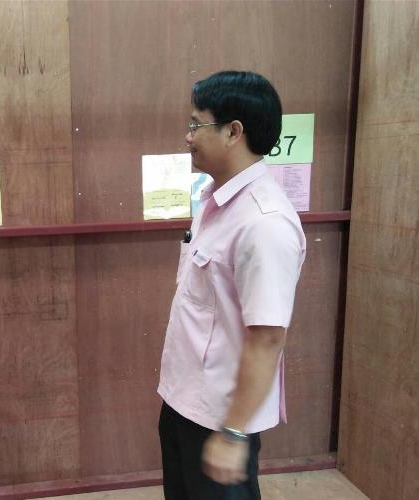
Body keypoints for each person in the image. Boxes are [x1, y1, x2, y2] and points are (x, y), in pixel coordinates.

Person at [157, 71, 306, 500]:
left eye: (195, 124)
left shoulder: (264, 222)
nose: (187, 136)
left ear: (233, 132)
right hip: (183, 401)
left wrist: (234, 433)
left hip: (220, 419)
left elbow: (267, 338)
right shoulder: (215, 202)